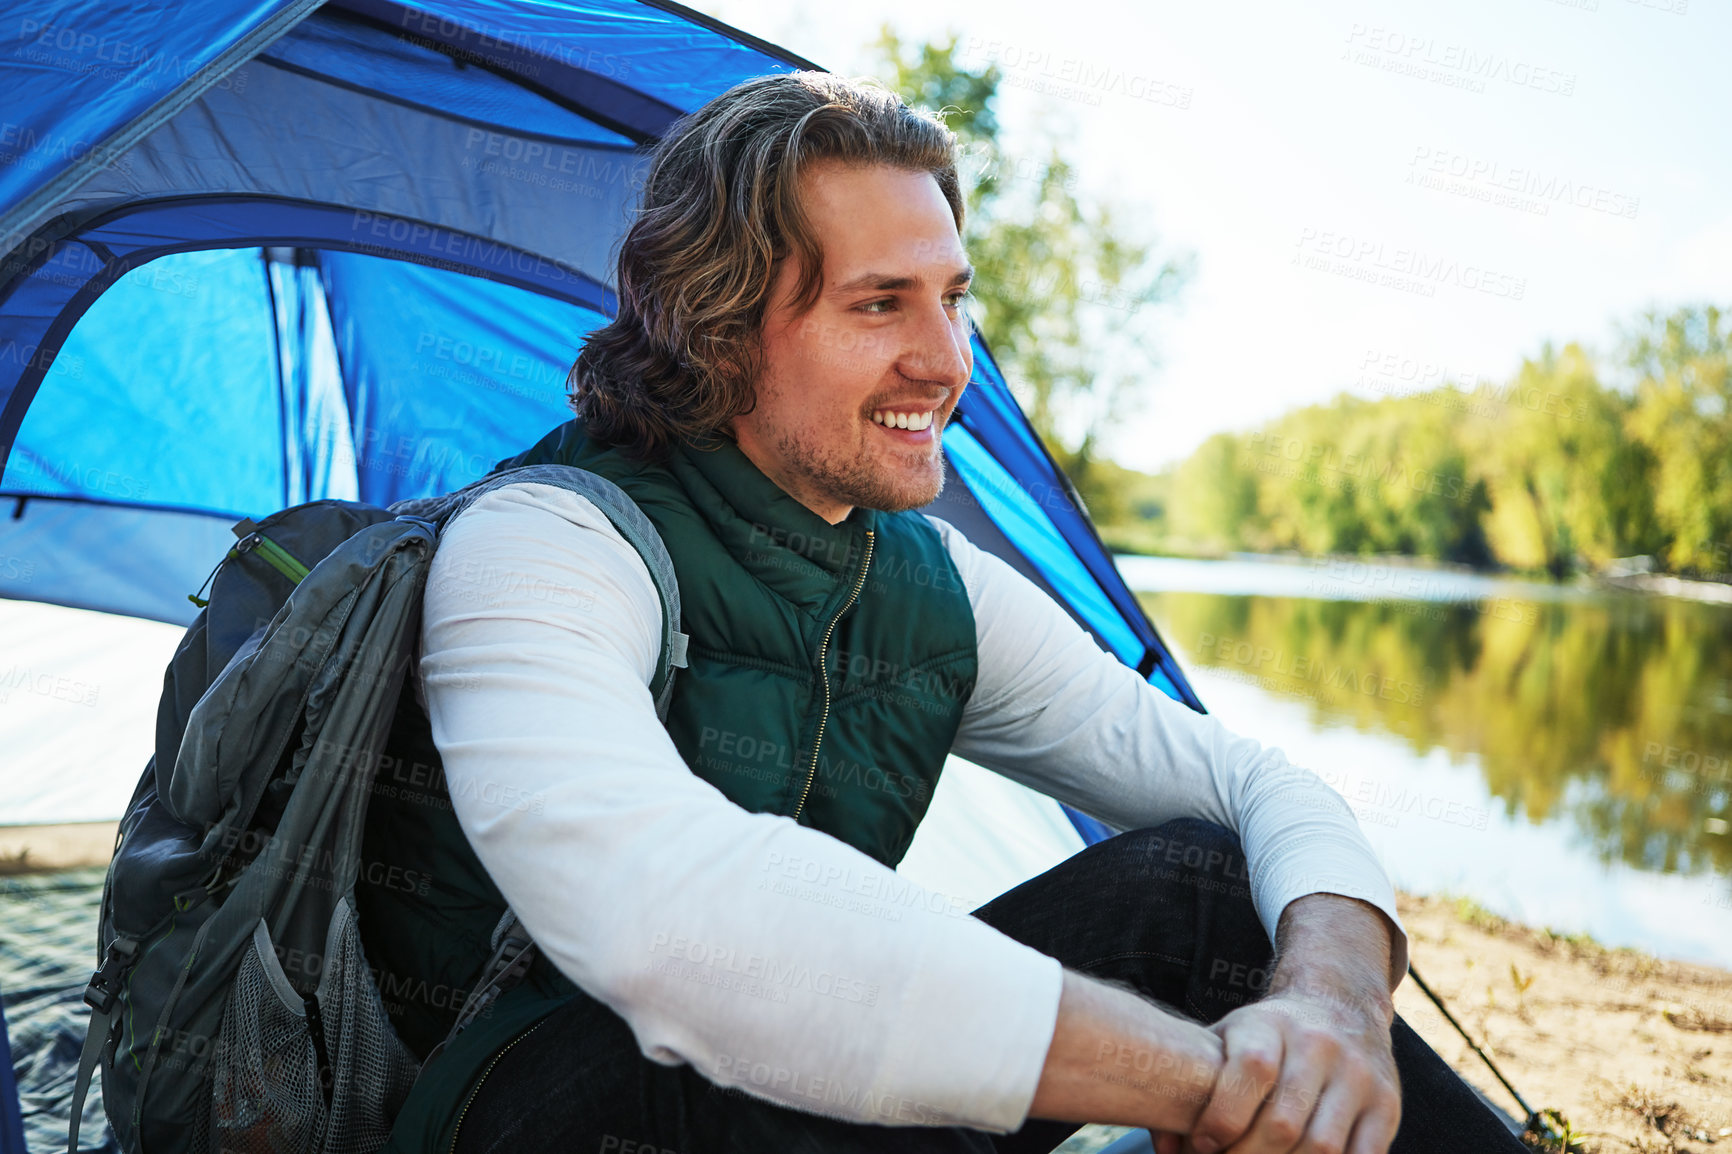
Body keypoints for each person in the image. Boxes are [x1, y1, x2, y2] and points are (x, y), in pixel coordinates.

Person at [359, 71, 1528, 1154]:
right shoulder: (546, 543)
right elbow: (670, 921)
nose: (944, 359)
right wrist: (1203, 1076)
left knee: (1205, 881)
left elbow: (1255, 783)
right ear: (716, 325)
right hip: (535, 1110)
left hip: (786, 1092)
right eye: (879, 304)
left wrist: (1331, 1004)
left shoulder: (929, 585)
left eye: (953, 298)